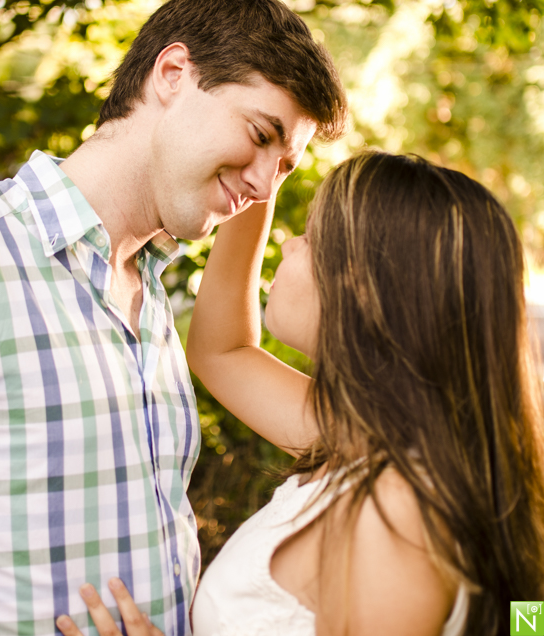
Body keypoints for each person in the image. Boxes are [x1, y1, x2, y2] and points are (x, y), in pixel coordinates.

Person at [0, 0, 346, 636]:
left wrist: (261, 159)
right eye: (259, 132)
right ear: (172, 74)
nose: (264, 186)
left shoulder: (152, 294)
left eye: (286, 169)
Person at [62, 151, 544, 636]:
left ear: (364, 288)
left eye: (310, 239)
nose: (291, 246)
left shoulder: (395, 519)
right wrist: (260, 165)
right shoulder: (369, 438)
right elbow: (222, 351)